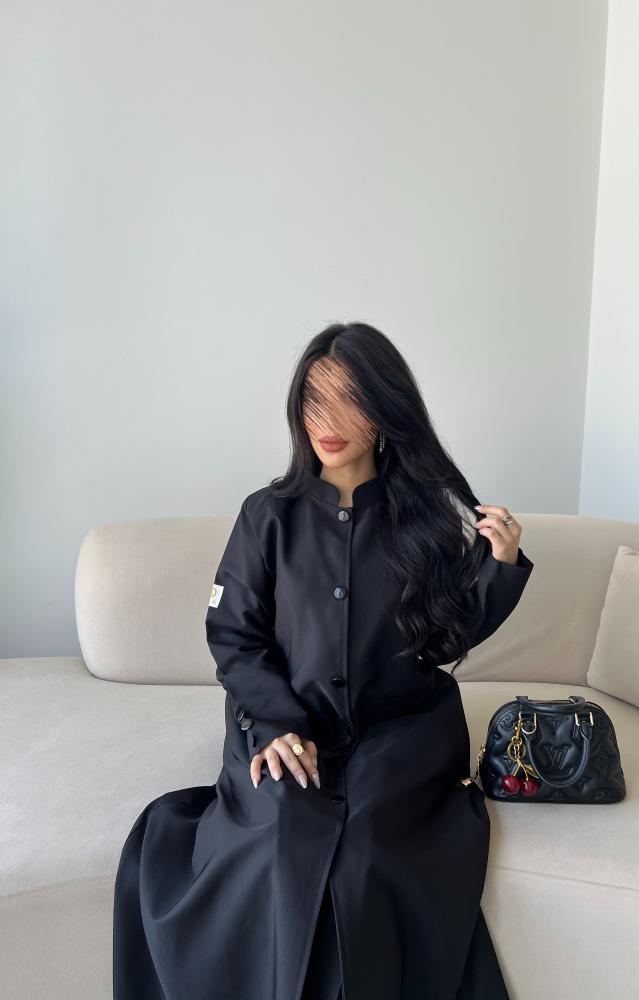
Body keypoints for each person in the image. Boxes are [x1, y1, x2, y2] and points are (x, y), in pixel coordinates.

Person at [112, 321, 534, 999]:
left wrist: (500, 567)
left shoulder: (425, 519)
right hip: (287, 728)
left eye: (350, 400)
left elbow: (444, 641)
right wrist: (276, 725)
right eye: (314, 399)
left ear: (386, 410)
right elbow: (235, 637)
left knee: (363, 854)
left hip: (398, 738)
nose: (327, 421)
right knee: (283, 834)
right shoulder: (266, 516)